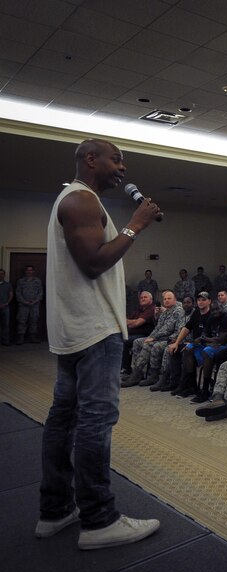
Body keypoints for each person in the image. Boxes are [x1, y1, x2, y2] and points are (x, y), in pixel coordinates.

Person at [37, 138, 160, 549]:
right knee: (95, 421)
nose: (123, 168)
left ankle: (56, 510)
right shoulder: (81, 200)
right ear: (91, 159)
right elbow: (93, 263)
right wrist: (135, 225)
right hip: (94, 330)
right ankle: (99, 520)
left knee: (65, 419)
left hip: (76, 329)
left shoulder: (79, 200)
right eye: (116, 159)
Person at [15, 264, 43, 344]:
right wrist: (24, 301)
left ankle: (33, 338)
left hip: (34, 305)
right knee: (22, 321)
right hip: (23, 305)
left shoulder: (37, 281)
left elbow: (40, 292)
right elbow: (18, 293)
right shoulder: (21, 281)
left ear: (33, 271)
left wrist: (35, 301)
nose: (29, 272)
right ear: (25, 271)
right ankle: (21, 338)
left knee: (34, 321)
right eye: (27, 270)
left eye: (30, 270)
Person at [0, 268, 13, 345]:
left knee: (5, 325)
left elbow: (11, 295)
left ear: (4, 275)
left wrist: (6, 303)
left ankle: (5, 341)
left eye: (2, 273)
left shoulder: (8, 284)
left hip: (5, 307)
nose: (0, 275)